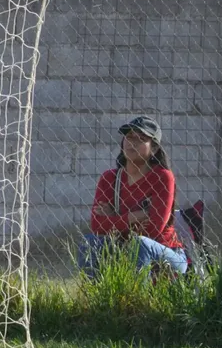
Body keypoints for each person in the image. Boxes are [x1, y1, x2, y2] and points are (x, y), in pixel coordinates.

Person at [80, 116, 187, 278]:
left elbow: (153, 230)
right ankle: (95, 293)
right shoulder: (109, 178)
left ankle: (137, 294)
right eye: (129, 137)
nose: (132, 143)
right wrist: (135, 216)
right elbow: (97, 226)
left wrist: (114, 218)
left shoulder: (163, 177)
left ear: (154, 148)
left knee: (140, 243)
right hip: (122, 247)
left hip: (166, 253)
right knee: (90, 242)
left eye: (141, 139)